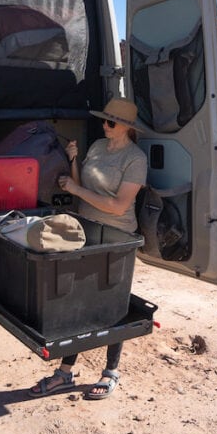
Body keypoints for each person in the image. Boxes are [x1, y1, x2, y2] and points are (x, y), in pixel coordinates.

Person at [29, 97, 148, 400]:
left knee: (113, 303)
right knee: (78, 301)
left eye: (110, 121)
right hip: (88, 230)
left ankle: (111, 371)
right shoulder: (96, 146)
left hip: (117, 236)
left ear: (126, 127)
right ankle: (66, 372)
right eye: (104, 120)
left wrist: (74, 188)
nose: (104, 125)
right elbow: (83, 189)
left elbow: (119, 205)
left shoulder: (135, 159)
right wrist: (73, 161)